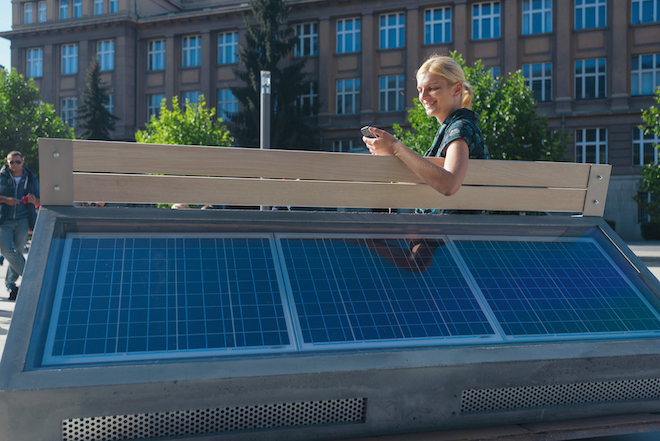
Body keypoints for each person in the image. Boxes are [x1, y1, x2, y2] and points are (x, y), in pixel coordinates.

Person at [362, 55, 488, 196]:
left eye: (432, 88)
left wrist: (396, 147)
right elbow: (424, 183)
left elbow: (449, 185)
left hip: (456, 211)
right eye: (420, 90)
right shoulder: (456, 128)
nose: (423, 97)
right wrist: (392, 155)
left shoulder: (460, 128)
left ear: (457, 89)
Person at [0, 152, 40, 301]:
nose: (15, 165)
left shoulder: (31, 178)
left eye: (17, 162)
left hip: (23, 219)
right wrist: (5, 200)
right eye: (12, 162)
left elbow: (40, 200)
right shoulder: (1, 176)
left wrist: (33, 200)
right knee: (6, 250)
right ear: (7, 162)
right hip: (4, 219)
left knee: (18, 251)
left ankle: (10, 284)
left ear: (23, 161)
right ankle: (30, 275)